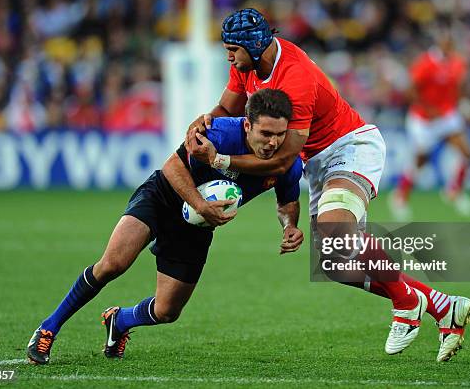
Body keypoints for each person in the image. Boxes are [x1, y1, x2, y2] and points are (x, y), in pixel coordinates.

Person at [186, 8, 470, 361]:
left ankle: (406, 303)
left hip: (350, 147)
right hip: (319, 163)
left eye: (233, 49)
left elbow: (282, 159)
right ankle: (444, 306)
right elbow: (225, 108)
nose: (228, 55)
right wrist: (200, 124)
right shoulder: (247, 64)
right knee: (337, 263)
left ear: (255, 46)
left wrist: (219, 161)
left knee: (338, 230)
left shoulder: (295, 77)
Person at [27, 88, 304, 365]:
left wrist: (289, 225)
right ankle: (49, 327)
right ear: (247, 125)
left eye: (280, 135)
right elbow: (172, 166)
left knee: (167, 311)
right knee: (113, 264)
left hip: (197, 224)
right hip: (163, 195)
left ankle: (119, 320)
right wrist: (199, 203)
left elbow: (287, 202)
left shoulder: (287, 163)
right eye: (265, 134)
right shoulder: (220, 133)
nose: (273, 143)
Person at [390, 30, 470, 221]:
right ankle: (400, 196)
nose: (449, 45)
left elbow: (459, 87)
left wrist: (464, 104)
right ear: (439, 43)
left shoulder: (457, 62)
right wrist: (427, 109)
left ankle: (454, 192)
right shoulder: (426, 63)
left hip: (446, 116)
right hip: (423, 118)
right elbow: (410, 90)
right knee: (422, 159)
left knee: (467, 152)